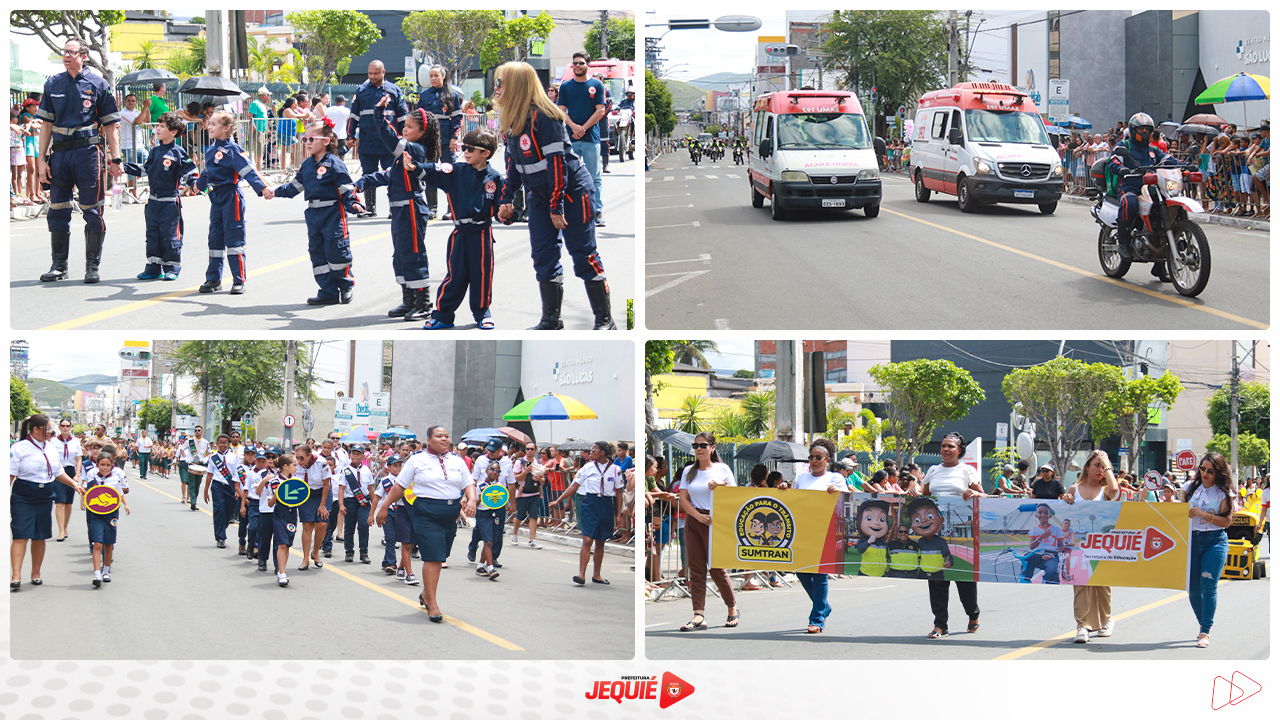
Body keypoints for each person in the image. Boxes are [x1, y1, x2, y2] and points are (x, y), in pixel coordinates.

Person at [494, 61, 614, 330]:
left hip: (571, 195)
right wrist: (506, 198)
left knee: (584, 256)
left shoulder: (545, 117)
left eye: (501, 83)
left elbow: (557, 165)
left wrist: (556, 206)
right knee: (543, 256)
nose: (497, 89)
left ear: (516, 86)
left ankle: (605, 320)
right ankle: (551, 319)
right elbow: (514, 164)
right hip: (540, 196)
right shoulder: (512, 119)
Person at [35, 36, 124, 284]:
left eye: (71, 52)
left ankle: (92, 266)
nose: (66, 56)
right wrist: (41, 160)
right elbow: (46, 125)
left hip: (87, 154)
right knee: (57, 209)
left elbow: (110, 125)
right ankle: (58, 265)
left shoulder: (98, 84)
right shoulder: (53, 83)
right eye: (64, 52)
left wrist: (115, 158)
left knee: (92, 210)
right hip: (60, 155)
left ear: (83, 56)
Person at [375, 426, 476, 621]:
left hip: (450, 513)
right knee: (432, 557)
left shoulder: (457, 461)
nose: (444, 439)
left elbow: (468, 483)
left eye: (447, 436)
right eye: (439, 436)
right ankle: (433, 603)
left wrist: (471, 499)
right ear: (429, 440)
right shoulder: (416, 460)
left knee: (441, 555)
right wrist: (384, 506)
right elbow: (400, 486)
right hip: (426, 512)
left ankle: (425, 593)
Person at [410, 128, 508, 330]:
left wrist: (505, 213)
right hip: (460, 234)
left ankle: (482, 313)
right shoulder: (456, 171)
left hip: (482, 234)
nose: (466, 151)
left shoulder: (495, 178)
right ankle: (443, 315)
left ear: (486, 153)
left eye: (471, 148)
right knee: (455, 276)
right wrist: (413, 166)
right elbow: (431, 170)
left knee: (481, 275)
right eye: (464, 147)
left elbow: (502, 208)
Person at [354, 105, 441, 320]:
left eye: (410, 127)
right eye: (404, 125)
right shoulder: (404, 154)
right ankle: (408, 300)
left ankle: (423, 303)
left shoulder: (416, 150)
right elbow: (388, 175)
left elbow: (390, 140)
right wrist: (363, 182)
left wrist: (379, 116)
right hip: (400, 209)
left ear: (423, 133)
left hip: (411, 207)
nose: (405, 129)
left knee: (413, 255)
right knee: (400, 256)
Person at [270, 118, 365, 305]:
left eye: (312, 139)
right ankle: (327, 291)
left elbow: (346, 188)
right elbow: (294, 188)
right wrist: (274, 192)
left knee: (337, 250)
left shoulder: (335, 164)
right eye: (305, 139)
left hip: (333, 212)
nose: (307, 143)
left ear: (326, 141)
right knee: (317, 252)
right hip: (313, 214)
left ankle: (345, 285)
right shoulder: (306, 165)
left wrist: (353, 204)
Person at [910, 432, 984, 638]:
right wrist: (912, 495)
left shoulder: (967, 471)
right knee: (936, 579)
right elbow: (923, 496)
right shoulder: (933, 470)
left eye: (950, 446)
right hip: (933, 533)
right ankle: (940, 624)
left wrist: (976, 493)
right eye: (943, 446)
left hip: (958, 530)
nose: (945, 449)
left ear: (960, 450)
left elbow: (984, 495)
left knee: (964, 580)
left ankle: (973, 614)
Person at [195, 110, 270, 294]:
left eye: (213, 124)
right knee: (215, 237)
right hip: (216, 197)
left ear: (226, 128)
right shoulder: (212, 149)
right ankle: (213, 279)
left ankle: (238, 280)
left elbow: (249, 170)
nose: (209, 127)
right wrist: (198, 185)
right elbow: (207, 172)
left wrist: (262, 187)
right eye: (209, 123)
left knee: (234, 238)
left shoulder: (233, 149)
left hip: (231, 196)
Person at [10, 414, 85, 590]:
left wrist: (74, 484)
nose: (51, 432)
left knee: (40, 535)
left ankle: (36, 573)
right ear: (36, 429)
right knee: (21, 534)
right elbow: (10, 475)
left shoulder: (50, 448)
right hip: (23, 496)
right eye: (48, 429)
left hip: (44, 497)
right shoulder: (19, 448)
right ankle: (16, 576)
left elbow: (58, 472)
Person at [120, 112, 197, 281]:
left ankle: (172, 267)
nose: (157, 129)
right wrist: (123, 167)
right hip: (153, 202)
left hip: (169, 203)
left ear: (173, 132)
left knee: (170, 236)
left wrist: (195, 183)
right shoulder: (154, 151)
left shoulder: (178, 152)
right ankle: (153, 267)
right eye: (157, 125)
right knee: (152, 235)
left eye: (162, 126)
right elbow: (144, 169)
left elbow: (190, 171)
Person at [673, 432, 738, 630]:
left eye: (703, 445)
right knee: (696, 569)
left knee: (717, 568)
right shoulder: (689, 471)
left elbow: (735, 494)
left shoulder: (722, 469)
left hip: (714, 520)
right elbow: (683, 498)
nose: (699, 449)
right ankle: (698, 614)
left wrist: (721, 484)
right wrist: (697, 516)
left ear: (712, 447)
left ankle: (732, 608)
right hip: (694, 520)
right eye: (695, 446)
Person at [783, 438, 848, 633]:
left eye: (818, 457)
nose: (813, 461)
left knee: (820, 575)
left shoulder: (835, 478)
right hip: (803, 531)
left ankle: (817, 619)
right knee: (802, 572)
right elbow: (794, 500)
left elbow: (846, 500)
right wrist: (785, 490)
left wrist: (837, 491)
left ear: (827, 460)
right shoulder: (802, 478)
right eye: (810, 457)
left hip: (826, 531)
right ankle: (824, 606)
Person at [1109, 112, 1179, 281]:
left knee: (1165, 214)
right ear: (1133, 130)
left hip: (1153, 188)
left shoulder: (1154, 150)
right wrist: (1121, 169)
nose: (1145, 132)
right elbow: (1113, 161)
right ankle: (1123, 242)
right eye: (1141, 129)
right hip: (1129, 186)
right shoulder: (1123, 145)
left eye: (1148, 129)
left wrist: (1186, 164)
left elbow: (1168, 160)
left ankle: (1160, 265)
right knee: (1130, 203)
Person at [1062, 449, 1120, 643]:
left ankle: (1106, 620)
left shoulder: (1105, 490)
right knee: (1080, 585)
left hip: (1101, 546)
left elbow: (1114, 490)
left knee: (1102, 584)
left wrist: (1108, 464)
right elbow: (1065, 514)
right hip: (1079, 546)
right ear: (1087, 467)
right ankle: (1082, 625)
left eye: (1104, 467)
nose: (1101, 470)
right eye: (1097, 465)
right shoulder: (1074, 488)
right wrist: (1065, 500)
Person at [1181, 452, 1236, 648]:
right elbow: (1180, 513)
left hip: (1215, 542)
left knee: (1208, 586)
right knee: (1193, 591)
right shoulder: (1189, 488)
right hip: (1193, 541)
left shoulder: (1224, 494)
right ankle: (1203, 624)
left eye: (1210, 471)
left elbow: (1227, 522)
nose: (1204, 473)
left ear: (1218, 473)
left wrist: (1204, 514)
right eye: (1202, 468)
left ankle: (1205, 631)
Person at [553, 440, 624, 586]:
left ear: (603, 452)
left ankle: (597, 575)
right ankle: (581, 574)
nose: (591, 453)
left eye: (594, 450)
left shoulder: (616, 469)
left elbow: (619, 493)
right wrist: (558, 500)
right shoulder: (587, 468)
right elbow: (573, 487)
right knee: (587, 540)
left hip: (606, 505)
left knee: (600, 541)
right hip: (590, 504)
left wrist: (619, 514)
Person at [348, 60, 409, 219]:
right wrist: (350, 135)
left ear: (383, 72)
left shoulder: (394, 91)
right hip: (367, 141)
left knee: (392, 174)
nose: (372, 76)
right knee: (368, 174)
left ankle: (393, 207)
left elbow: (403, 117)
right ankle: (370, 208)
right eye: (370, 73)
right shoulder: (361, 91)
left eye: (375, 73)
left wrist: (404, 137)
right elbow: (353, 116)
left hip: (389, 143)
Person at [557, 52, 607, 226]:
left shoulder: (596, 85)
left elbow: (600, 110)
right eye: (574, 64)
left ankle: (597, 211)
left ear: (588, 64)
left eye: (581, 63)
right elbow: (561, 110)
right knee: (568, 176)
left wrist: (583, 128)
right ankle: (574, 210)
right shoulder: (565, 86)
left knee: (594, 176)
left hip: (591, 138)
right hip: (571, 138)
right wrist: (573, 127)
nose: (577, 66)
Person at [416, 65, 466, 220]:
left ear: (443, 76)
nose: (433, 78)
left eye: (436, 75)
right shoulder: (424, 95)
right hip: (429, 140)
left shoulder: (452, 94)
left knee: (448, 172)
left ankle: (451, 207)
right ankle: (432, 208)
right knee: (430, 172)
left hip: (445, 140)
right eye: (431, 76)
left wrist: (454, 137)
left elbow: (457, 118)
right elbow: (419, 117)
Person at [82, 450, 131, 587]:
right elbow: (86, 493)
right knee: (97, 543)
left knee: (108, 543)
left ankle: (106, 570)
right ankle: (97, 574)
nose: (105, 467)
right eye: (102, 464)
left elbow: (120, 494)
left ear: (112, 465)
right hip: (96, 514)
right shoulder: (92, 479)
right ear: (97, 464)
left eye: (108, 465)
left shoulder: (115, 479)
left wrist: (126, 505)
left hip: (111, 515)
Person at [371, 454, 415, 580]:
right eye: (395, 466)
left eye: (400, 465)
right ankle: (391, 563)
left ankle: (388, 561)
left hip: (403, 512)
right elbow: (377, 498)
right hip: (389, 513)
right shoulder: (385, 481)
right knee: (390, 538)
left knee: (405, 540)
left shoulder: (407, 481)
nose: (398, 468)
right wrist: (371, 515)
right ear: (388, 467)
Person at [294, 444, 331, 570]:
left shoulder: (321, 462)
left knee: (322, 524)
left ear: (309, 455)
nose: (299, 461)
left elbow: (326, 485)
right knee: (307, 525)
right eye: (297, 457)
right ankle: (305, 559)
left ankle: (315, 552)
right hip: (306, 495)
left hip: (322, 493)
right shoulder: (295, 464)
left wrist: (322, 505)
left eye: (302, 458)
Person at [201, 433, 241, 549]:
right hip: (217, 485)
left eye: (225, 443)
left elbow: (237, 473)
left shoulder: (233, 456)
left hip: (230, 486)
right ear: (217, 444)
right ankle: (220, 537)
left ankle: (222, 528)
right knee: (219, 510)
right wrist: (205, 491)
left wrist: (238, 489)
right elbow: (209, 474)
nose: (223, 445)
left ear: (229, 444)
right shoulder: (213, 458)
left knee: (229, 511)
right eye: (220, 442)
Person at [337, 445, 374, 564]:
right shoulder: (345, 470)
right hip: (350, 501)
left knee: (364, 526)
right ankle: (349, 551)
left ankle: (364, 552)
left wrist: (374, 506)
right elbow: (341, 489)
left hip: (364, 502)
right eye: (353, 453)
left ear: (363, 456)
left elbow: (370, 489)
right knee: (349, 527)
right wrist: (341, 505)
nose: (355, 456)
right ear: (350, 455)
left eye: (358, 454)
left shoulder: (366, 470)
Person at [48, 418, 81, 543]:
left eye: (68, 426)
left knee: (68, 503)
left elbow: (78, 460)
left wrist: (77, 475)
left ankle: (66, 526)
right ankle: (61, 530)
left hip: (71, 471)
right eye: (63, 426)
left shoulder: (76, 442)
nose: (65, 428)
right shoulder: (53, 442)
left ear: (71, 427)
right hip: (57, 473)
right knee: (59, 502)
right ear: (60, 427)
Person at [511, 442, 543, 548]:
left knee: (534, 516)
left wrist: (539, 479)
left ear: (535, 451)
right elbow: (515, 478)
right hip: (523, 494)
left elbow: (543, 480)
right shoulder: (520, 462)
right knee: (520, 515)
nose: (530, 451)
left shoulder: (538, 462)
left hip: (535, 493)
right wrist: (526, 472)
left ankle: (532, 539)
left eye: (532, 449)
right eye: (528, 449)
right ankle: (514, 534)